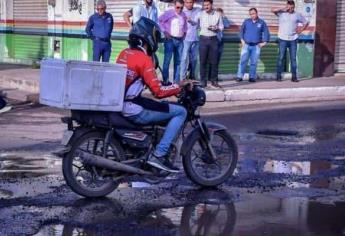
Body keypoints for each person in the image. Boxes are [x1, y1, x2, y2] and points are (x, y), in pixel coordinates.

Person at [116, 17, 188, 173]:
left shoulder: (124, 53)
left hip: (121, 102)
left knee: (156, 106)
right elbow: (158, 92)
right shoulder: (144, 59)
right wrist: (177, 86)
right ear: (148, 38)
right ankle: (159, 154)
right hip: (132, 108)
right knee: (180, 112)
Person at [271, 0, 309, 82]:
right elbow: (272, 10)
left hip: (293, 39)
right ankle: (278, 76)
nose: (291, 9)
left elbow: (306, 22)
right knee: (280, 58)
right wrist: (284, 8)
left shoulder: (297, 15)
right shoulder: (281, 13)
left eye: (292, 7)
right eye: (290, 7)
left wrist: (301, 30)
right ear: (287, 6)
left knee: (293, 59)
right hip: (282, 39)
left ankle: (294, 77)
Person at [235, 8, 270, 82]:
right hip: (246, 45)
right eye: (250, 14)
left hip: (256, 46)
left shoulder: (262, 22)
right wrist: (242, 40)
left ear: (257, 13)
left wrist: (264, 43)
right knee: (243, 61)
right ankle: (239, 76)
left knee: (253, 62)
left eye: (253, 13)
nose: (252, 15)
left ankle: (251, 77)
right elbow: (241, 31)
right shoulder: (246, 21)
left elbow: (266, 33)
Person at [159, 0, 187, 85]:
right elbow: (159, 21)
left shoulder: (183, 14)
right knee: (167, 61)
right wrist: (165, 32)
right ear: (174, 6)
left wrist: (184, 35)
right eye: (178, 7)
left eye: (181, 8)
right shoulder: (169, 13)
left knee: (178, 62)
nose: (179, 9)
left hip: (179, 41)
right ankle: (165, 81)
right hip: (170, 40)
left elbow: (185, 26)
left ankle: (176, 82)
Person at [197, 0, 224, 88]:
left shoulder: (217, 14)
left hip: (213, 39)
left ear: (211, 5)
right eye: (204, 5)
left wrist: (217, 28)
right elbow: (195, 23)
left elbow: (221, 27)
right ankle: (203, 81)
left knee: (214, 61)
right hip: (203, 39)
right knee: (203, 61)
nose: (206, 7)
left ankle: (214, 81)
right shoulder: (200, 14)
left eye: (207, 5)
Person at [180, 0, 201, 81]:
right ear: (184, 3)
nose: (189, 4)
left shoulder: (198, 10)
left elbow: (199, 23)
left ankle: (192, 76)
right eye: (187, 2)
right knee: (184, 58)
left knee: (194, 59)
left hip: (195, 38)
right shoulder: (182, 11)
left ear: (193, 2)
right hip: (185, 39)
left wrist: (191, 20)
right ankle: (183, 78)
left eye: (190, 2)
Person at [216, 8, 230, 78]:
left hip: (221, 41)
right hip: (214, 41)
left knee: (218, 59)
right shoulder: (214, 20)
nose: (219, 15)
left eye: (220, 13)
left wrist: (224, 16)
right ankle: (211, 77)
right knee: (213, 59)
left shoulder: (222, 20)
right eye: (218, 13)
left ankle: (215, 77)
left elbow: (227, 25)